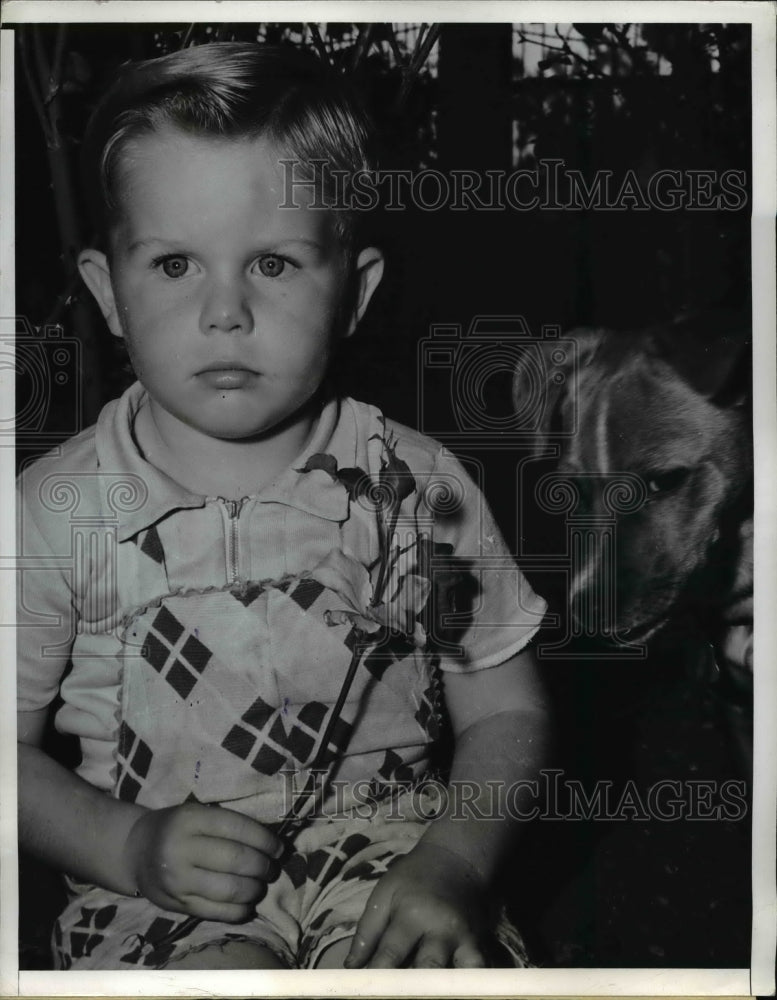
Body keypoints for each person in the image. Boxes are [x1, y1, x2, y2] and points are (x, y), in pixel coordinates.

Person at [16, 41, 550, 971]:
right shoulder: (55, 511)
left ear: (354, 293)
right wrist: (124, 847)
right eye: (176, 265)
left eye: (272, 263)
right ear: (107, 292)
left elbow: (507, 711)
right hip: (156, 895)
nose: (226, 312)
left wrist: (454, 862)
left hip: (395, 867)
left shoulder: (417, 489)